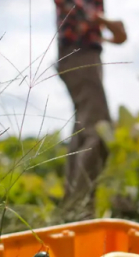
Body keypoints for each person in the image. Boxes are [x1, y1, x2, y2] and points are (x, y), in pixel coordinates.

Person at [54, 0, 127, 219]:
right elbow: (81, 10)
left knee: (83, 130)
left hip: (90, 56)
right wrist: (109, 22)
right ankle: (81, 209)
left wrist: (106, 31)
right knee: (99, 130)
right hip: (77, 55)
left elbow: (118, 35)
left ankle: (71, 207)